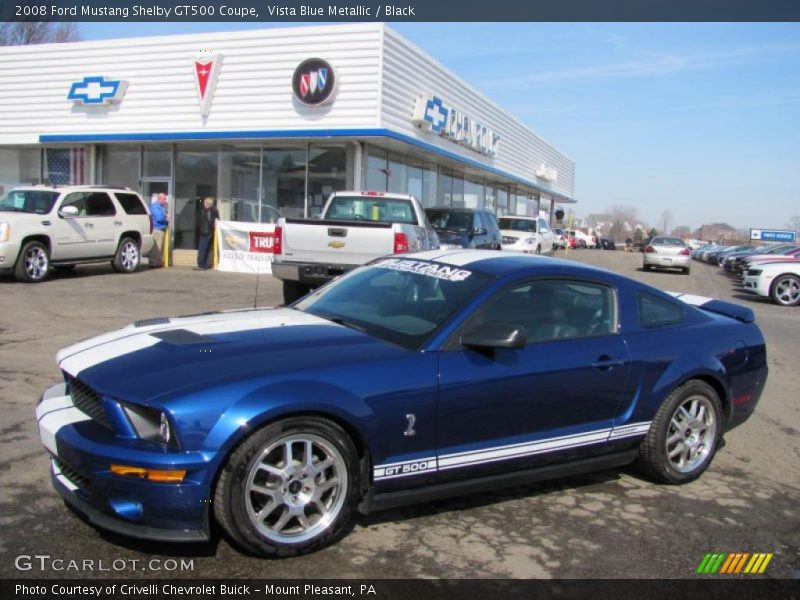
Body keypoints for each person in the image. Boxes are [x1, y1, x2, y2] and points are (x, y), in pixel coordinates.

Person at [195, 196, 219, 270]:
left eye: (204, 203)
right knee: (208, 248)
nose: (203, 204)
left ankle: (201, 265)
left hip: (205, 232)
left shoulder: (208, 211)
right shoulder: (215, 210)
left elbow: (210, 221)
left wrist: (211, 226)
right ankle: (205, 264)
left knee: (202, 248)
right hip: (211, 232)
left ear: (207, 203)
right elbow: (216, 220)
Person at [148, 192, 169, 268]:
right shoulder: (155, 206)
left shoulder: (162, 206)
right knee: (156, 247)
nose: (165, 201)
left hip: (162, 228)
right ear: (159, 199)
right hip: (157, 229)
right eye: (164, 199)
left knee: (160, 247)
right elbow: (158, 218)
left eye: (165, 199)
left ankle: (158, 262)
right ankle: (153, 262)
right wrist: (165, 217)